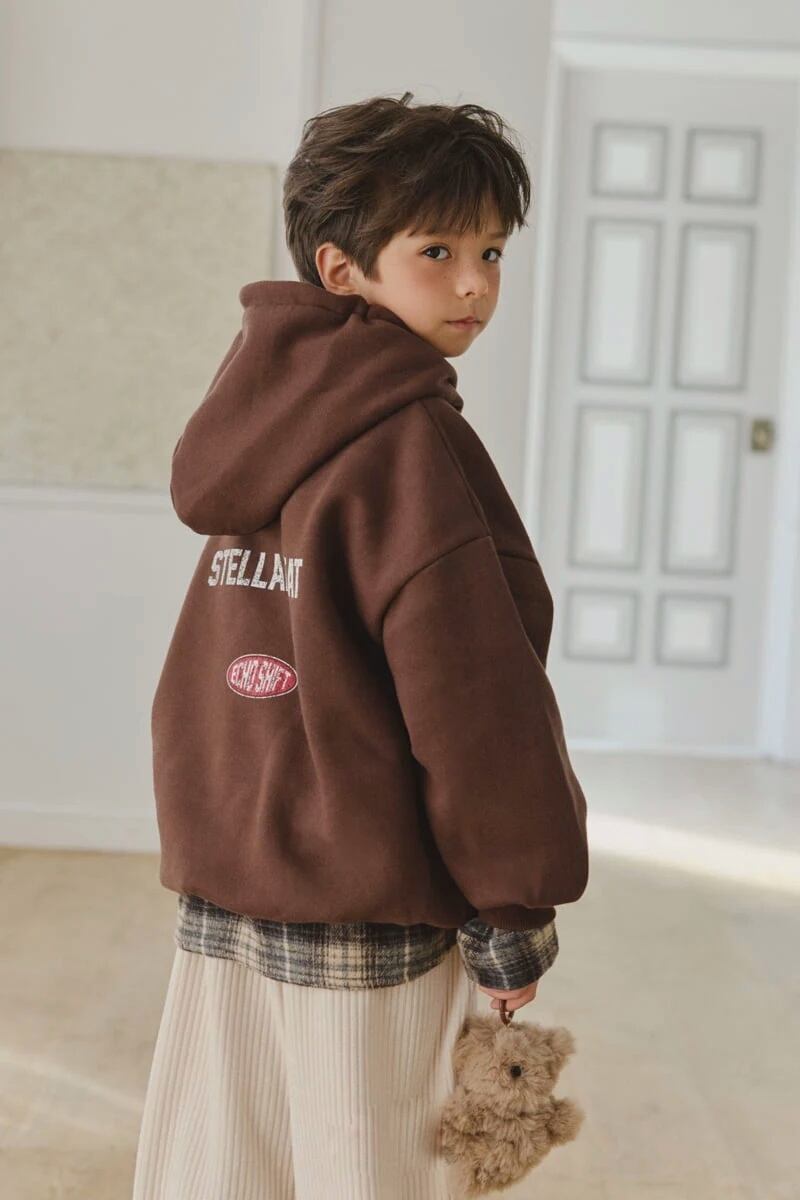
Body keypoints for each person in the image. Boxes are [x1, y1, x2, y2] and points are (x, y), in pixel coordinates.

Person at [133, 90, 589, 1200]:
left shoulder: (256, 425)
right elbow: (474, 705)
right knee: (369, 1168)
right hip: (365, 894)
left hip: (229, 880)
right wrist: (512, 912)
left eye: (491, 251)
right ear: (343, 270)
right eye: (437, 251)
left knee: (221, 1167)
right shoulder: (410, 446)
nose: (475, 284)